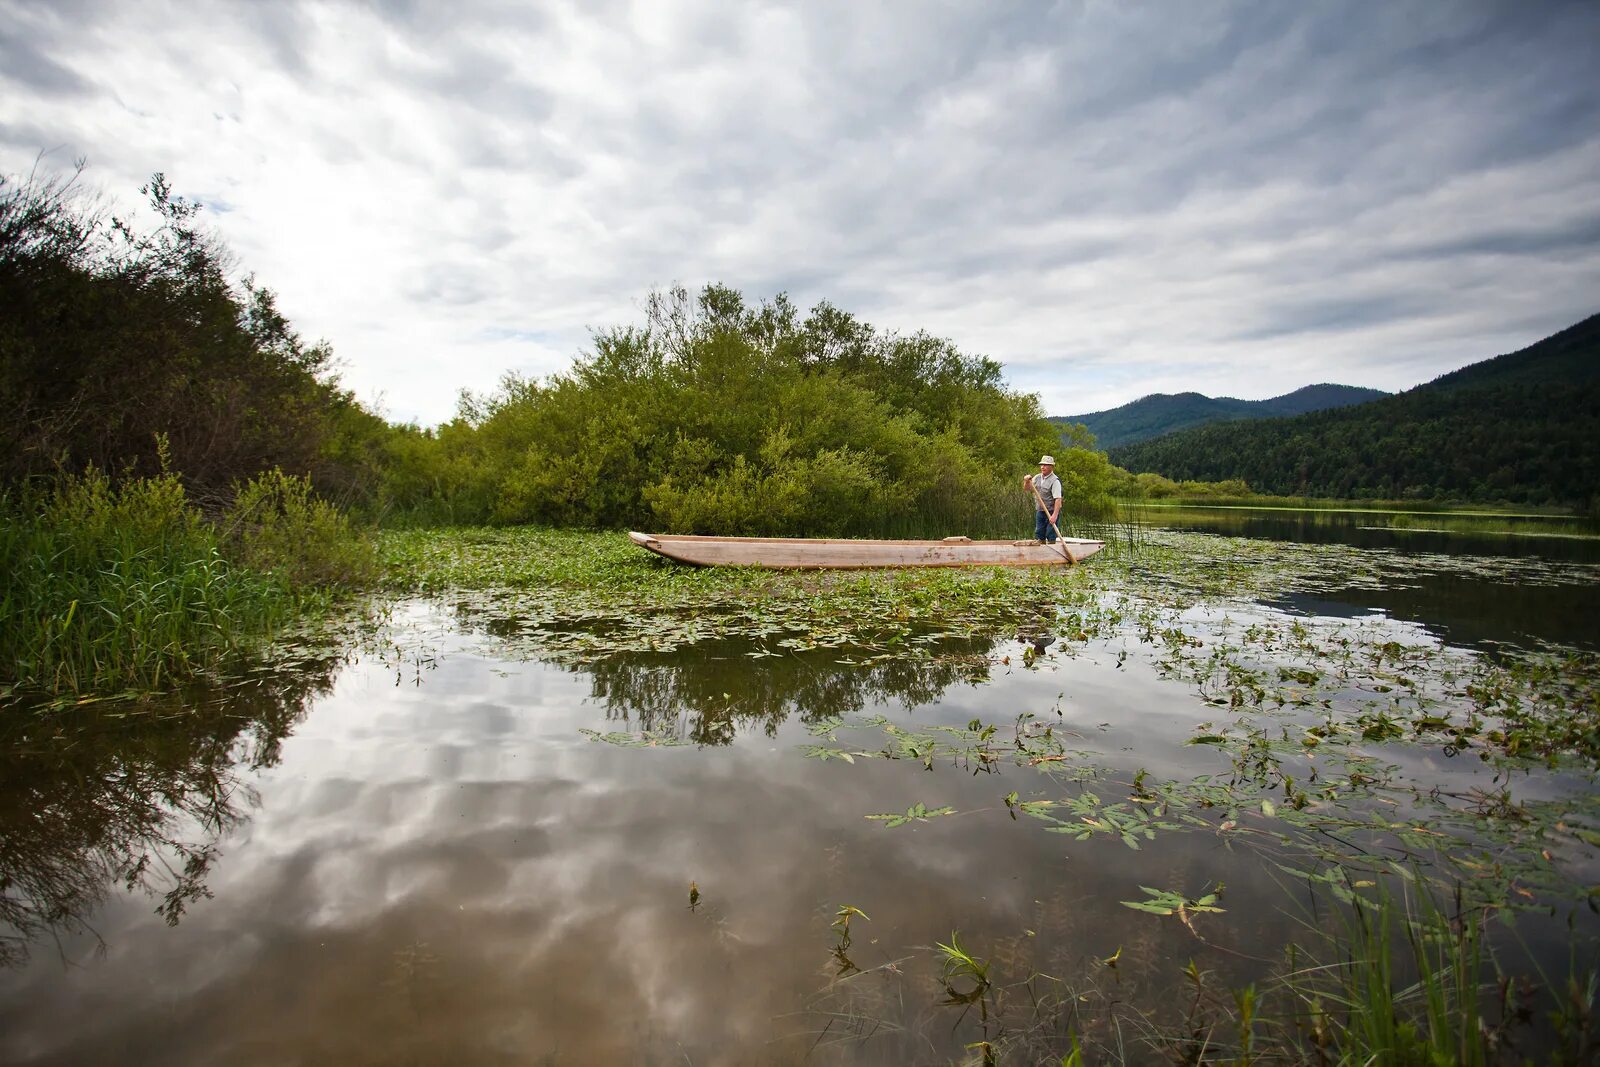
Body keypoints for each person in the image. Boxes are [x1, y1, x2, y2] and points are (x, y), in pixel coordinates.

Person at [1022, 454, 1063, 543]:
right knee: (1039, 533)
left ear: (1051, 467)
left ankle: (1052, 549)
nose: (1043, 467)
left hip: (1051, 511)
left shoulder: (1055, 481)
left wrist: (1054, 516)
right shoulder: (1037, 478)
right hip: (1040, 510)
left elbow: (1058, 500)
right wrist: (1026, 481)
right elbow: (1027, 489)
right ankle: (1041, 550)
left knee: (1050, 534)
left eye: (1046, 465)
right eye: (1042, 465)